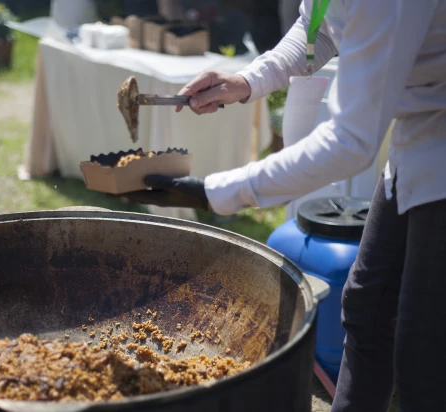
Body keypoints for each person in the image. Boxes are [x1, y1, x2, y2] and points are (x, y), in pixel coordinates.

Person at [118, 0, 446, 410]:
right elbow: (319, 28)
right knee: (368, 311)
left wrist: (213, 191)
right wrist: (246, 80)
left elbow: (350, 143)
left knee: (424, 352)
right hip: (415, 144)